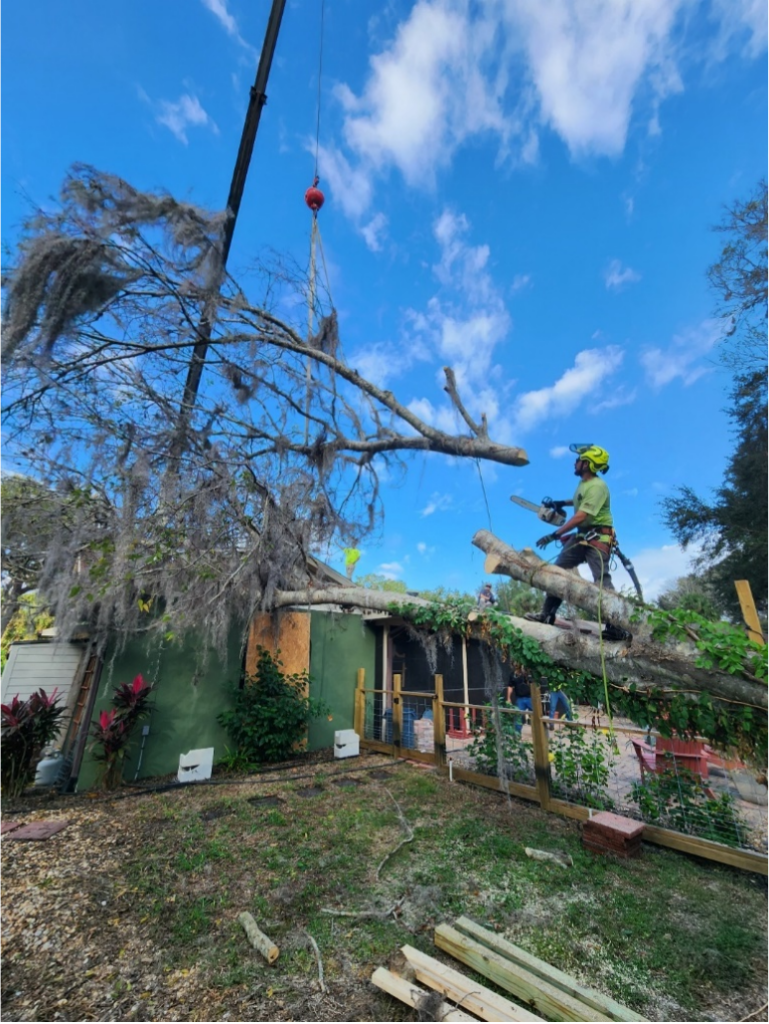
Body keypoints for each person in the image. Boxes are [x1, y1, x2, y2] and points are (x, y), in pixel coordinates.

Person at [526, 443, 615, 625]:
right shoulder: (584, 483)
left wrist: (555, 534)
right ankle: (547, 614)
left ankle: (615, 625)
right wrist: (560, 503)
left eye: (579, 460)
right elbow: (578, 501)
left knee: (601, 580)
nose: (575, 463)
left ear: (588, 464)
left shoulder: (598, 487)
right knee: (557, 571)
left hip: (598, 537)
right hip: (582, 536)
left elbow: (581, 516)